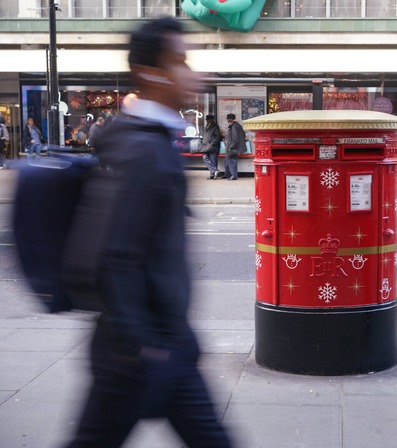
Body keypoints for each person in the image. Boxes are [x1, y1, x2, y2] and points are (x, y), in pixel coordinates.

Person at [61, 17, 233, 448]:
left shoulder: (151, 142)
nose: (194, 74)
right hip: (140, 350)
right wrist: (143, 347)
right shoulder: (143, 150)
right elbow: (112, 254)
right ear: (151, 73)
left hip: (160, 339)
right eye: (181, 61)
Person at [224, 113, 245, 180]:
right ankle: (228, 175)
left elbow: (235, 139)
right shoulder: (237, 125)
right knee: (228, 160)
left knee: (232, 161)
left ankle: (233, 176)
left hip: (233, 148)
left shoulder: (234, 127)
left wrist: (231, 147)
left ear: (230, 119)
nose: (227, 120)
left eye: (228, 119)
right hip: (235, 147)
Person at [202, 114, 223, 179]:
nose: (207, 121)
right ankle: (215, 171)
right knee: (205, 158)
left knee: (213, 160)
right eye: (207, 120)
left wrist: (212, 143)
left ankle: (213, 175)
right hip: (207, 146)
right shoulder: (207, 126)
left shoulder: (215, 127)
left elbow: (218, 136)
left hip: (213, 147)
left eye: (208, 119)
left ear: (212, 120)